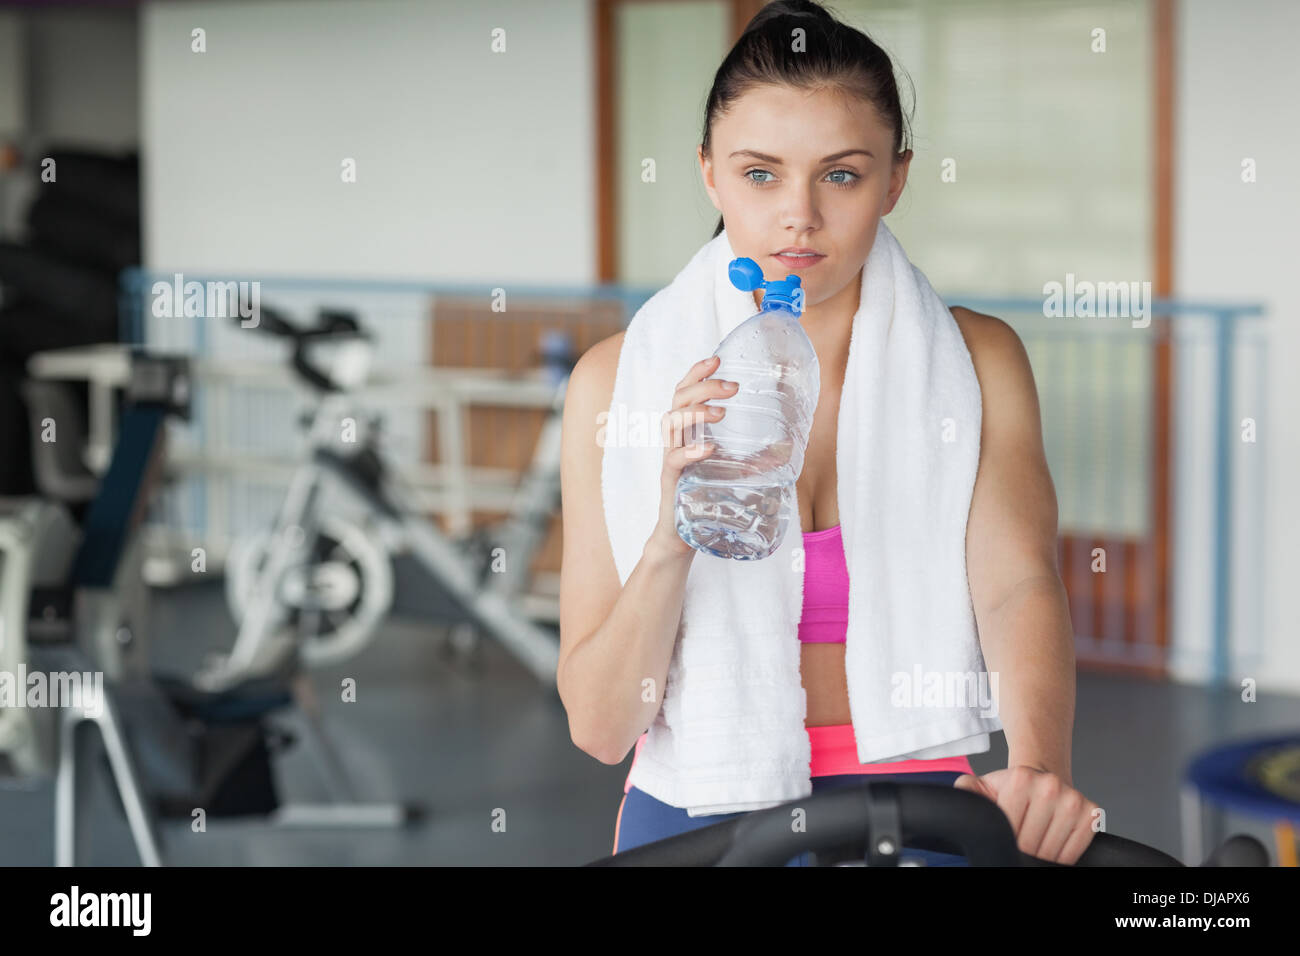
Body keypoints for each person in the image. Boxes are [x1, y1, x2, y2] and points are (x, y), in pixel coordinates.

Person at [558, 0, 1100, 867]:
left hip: (922, 797)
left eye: (840, 175)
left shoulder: (977, 361)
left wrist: (1039, 769)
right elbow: (598, 724)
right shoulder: (613, 386)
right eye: (760, 174)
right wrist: (674, 533)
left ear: (895, 178)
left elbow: (1016, 589)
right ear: (709, 175)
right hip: (699, 806)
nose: (798, 216)